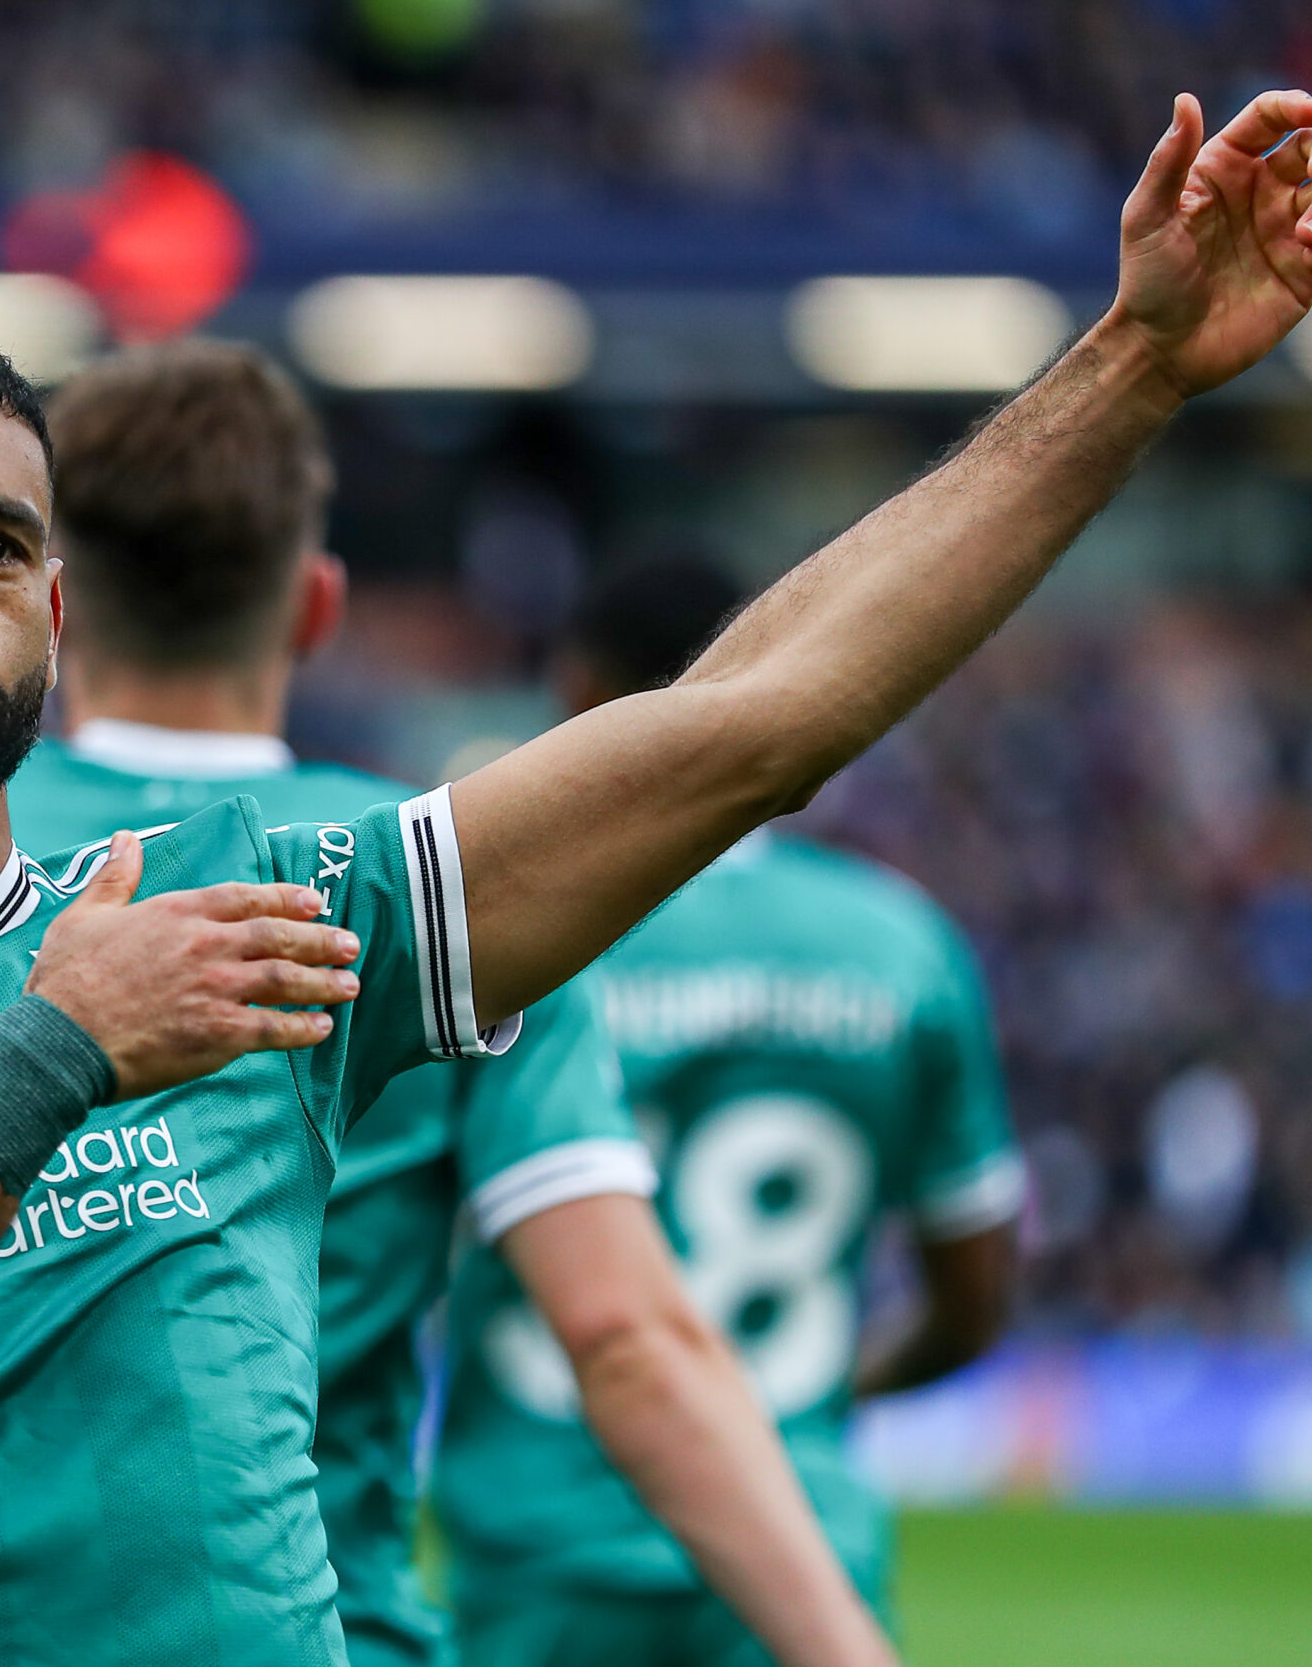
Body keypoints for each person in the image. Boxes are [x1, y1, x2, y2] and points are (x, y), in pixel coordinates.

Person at [0, 87, 1312, 1667]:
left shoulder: (259, 912)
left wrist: (1136, 366)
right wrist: (48, 1054)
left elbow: (757, 717)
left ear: (59, 611)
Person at [7, 338, 891, 1667]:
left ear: (57, 608)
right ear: (314, 605)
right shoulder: (440, 888)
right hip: (322, 1628)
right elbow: (627, 1336)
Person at [433, 553, 1021, 1667]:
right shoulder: (901, 945)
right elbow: (977, 1296)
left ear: (574, 693)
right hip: (798, 1544)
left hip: (544, 1546)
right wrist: (828, 1388)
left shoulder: (494, 939)